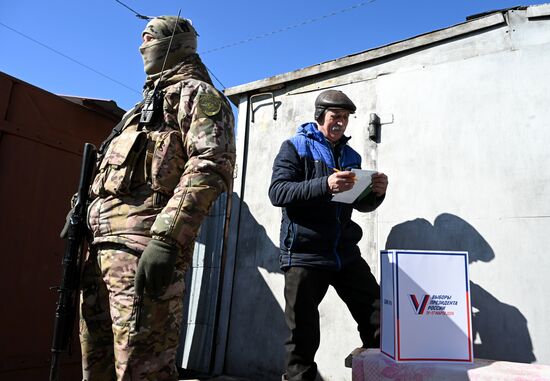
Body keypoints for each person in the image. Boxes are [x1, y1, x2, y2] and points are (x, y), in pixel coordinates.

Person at [78, 16, 235, 381]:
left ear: (174, 44)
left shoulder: (197, 95)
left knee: (141, 367)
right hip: (99, 250)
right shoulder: (136, 113)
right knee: (95, 363)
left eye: (149, 38)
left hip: (142, 251)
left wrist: (166, 239)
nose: (140, 46)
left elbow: (210, 165)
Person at [268, 89, 388, 381]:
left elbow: (360, 204)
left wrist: (375, 194)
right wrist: (326, 184)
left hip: (343, 253)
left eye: (345, 118)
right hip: (305, 254)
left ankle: (378, 373)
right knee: (302, 336)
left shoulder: (351, 155)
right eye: (335, 116)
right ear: (320, 116)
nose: (341, 123)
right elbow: (278, 192)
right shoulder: (295, 147)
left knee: (378, 317)